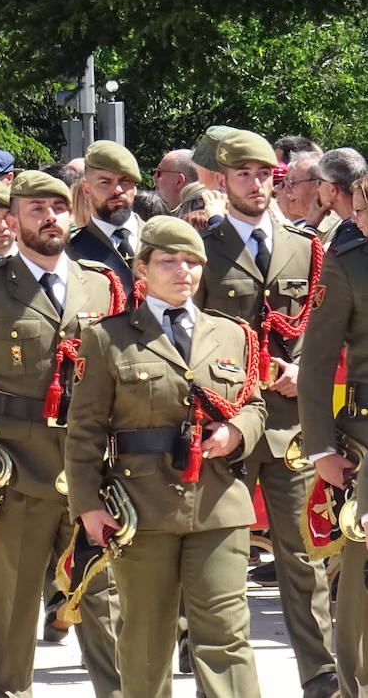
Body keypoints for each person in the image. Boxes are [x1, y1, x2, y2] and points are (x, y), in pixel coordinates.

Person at [0, 170, 122, 698]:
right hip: (16, 463)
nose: (50, 218)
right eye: (36, 209)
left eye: (59, 208)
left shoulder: (99, 282)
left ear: (73, 214)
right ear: (13, 220)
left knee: (101, 592)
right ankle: (6, 692)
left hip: (89, 461)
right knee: (14, 599)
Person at [66, 216, 266, 698]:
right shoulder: (106, 337)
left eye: (193, 262)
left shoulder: (232, 333)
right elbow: (85, 429)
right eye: (169, 261)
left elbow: (256, 404)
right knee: (145, 634)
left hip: (218, 502)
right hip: (142, 506)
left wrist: (237, 432)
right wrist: (87, 505)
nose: (183, 271)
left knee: (225, 632)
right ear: (142, 269)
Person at [193, 130, 337, 698]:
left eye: (265, 175)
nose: (257, 184)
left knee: (302, 558)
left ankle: (320, 672)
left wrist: (305, 369)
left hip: (290, 426)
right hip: (227, 421)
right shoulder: (201, 247)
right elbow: (190, 334)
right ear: (222, 181)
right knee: (219, 556)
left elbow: (322, 327)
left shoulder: (306, 247)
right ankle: (216, 670)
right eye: (244, 175)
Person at [299, 177, 368, 698]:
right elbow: (317, 365)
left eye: (366, 210)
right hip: (365, 441)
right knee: (361, 587)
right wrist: (321, 448)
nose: (359, 219)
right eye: (359, 209)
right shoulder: (347, 265)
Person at [67, 141, 145, 297]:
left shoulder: (163, 241)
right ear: (86, 189)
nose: (117, 190)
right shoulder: (71, 254)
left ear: (135, 187)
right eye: (105, 182)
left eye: (125, 181)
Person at [314, 147, 367, 251]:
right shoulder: (354, 228)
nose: (316, 188)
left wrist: (310, 225)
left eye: (319, 181)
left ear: (333, 190)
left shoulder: (352, 234)